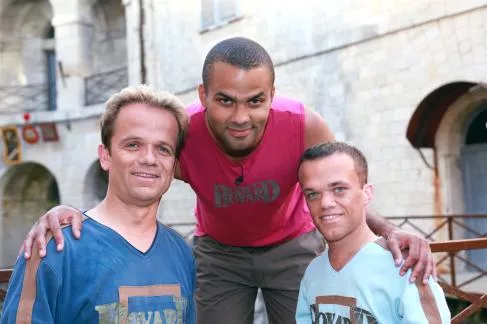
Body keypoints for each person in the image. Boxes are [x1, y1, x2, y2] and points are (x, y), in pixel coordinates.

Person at [20, 38, 434, 324]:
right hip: (220, 255)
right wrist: (71, 213)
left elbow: (342, 188)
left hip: (291, 246)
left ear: (272, 94)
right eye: (225, 101)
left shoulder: (303, 125)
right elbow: (137, 179)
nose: (240, 117)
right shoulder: (181, 135)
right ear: (203, 95)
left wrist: (390, 231)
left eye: (255, 101)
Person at [1, 86, 196, 323]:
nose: (148, 158)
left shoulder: (182, 253)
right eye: (133, 145)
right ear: (105, 156)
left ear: (173, 163)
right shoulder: (52, 248)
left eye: (163, 149)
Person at [296, 142, 450, 323]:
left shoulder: (405, 267)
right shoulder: (313, 271)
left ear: (367, 193)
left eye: (339, 189)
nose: (325, 203)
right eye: (313, 194)